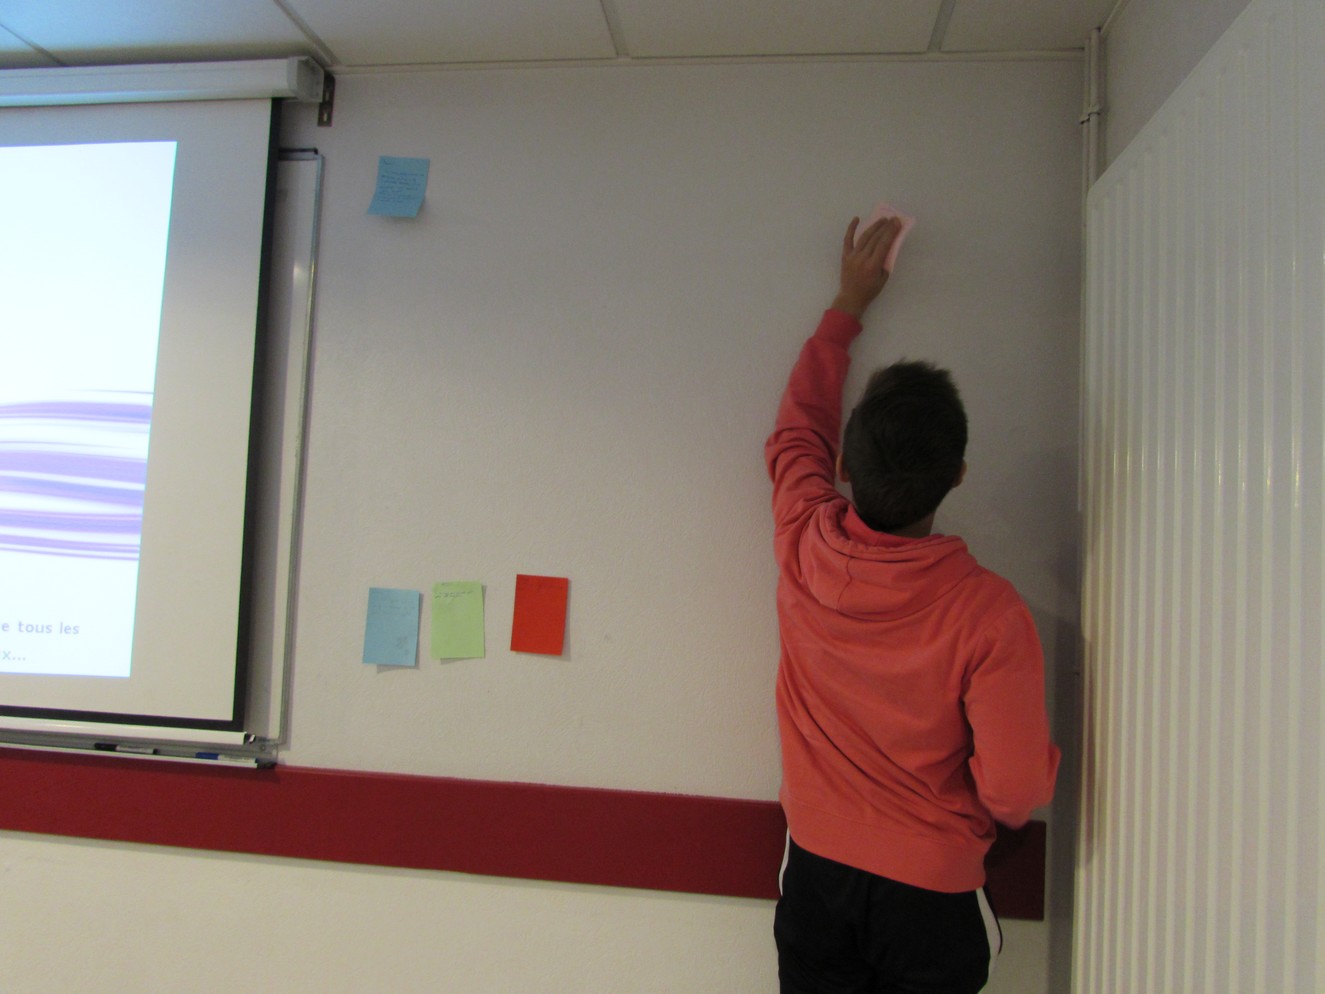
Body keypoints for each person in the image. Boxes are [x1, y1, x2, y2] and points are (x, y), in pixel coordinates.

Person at [765, 215, 1061, 993]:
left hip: (817, 873)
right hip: (929, 893)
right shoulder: (988, 614)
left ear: (843, 464)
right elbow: (1016, 791)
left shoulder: (803, 538)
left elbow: (795, 434)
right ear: (957, 475)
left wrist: (847, 304)